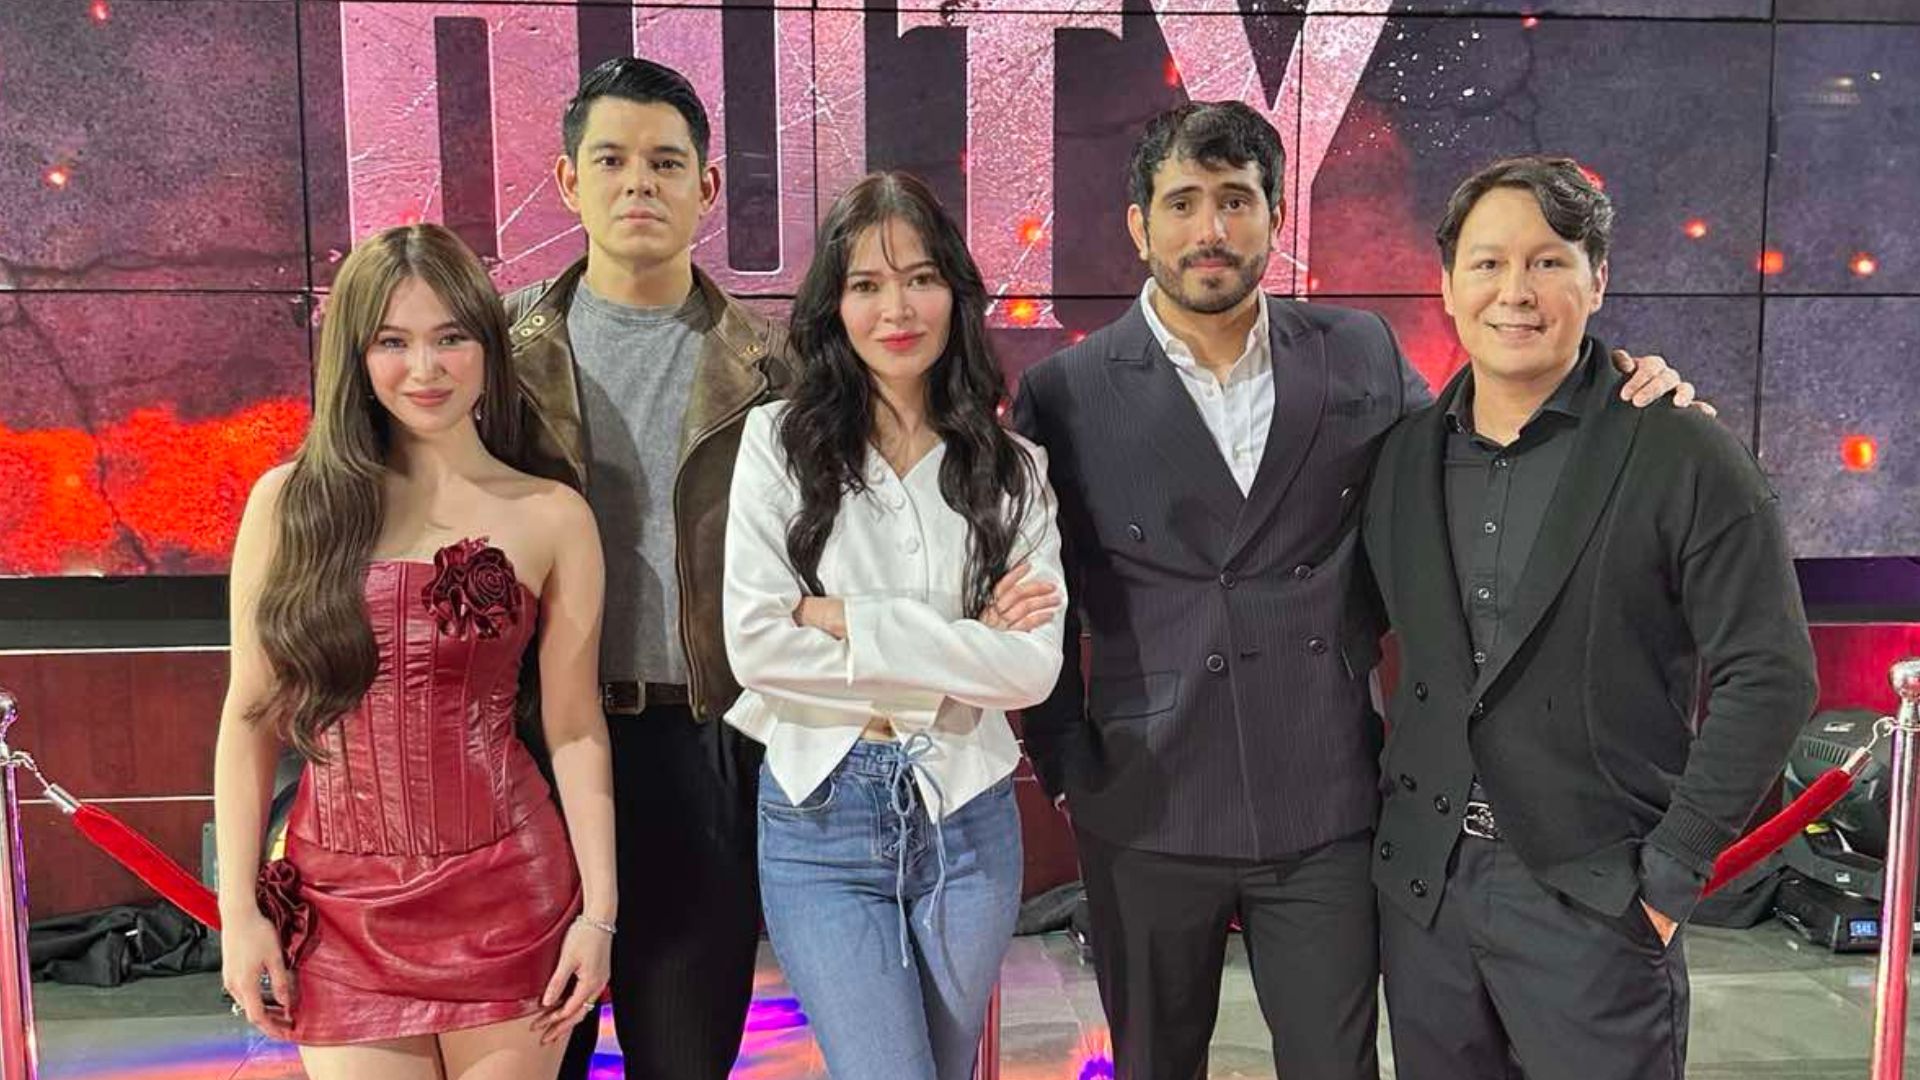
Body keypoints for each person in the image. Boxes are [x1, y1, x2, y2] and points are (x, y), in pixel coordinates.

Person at [1011, 102, 1695, 1080]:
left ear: (1276, 215)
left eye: (1236, 200)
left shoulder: (1357, 351)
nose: (1210, 229)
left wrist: (1613, 385)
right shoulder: (1067, 390)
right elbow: (1044, 597)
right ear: (1138, 224)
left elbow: (1478, 445)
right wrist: (1066, 763)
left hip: (1324, 799)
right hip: (1147, 802)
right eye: (1183, 203)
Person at [1362, 155, 1818, 1080]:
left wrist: (1671, 875)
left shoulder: (1683, 451)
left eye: (1548, 262)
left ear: (1597, 279)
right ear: (1446, 285)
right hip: (1427, 900)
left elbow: (1771, 675)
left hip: (1597, 902)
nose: (1515, 292)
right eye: (1488, 264)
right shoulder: (1400, 459)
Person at [213, 223, 617, 1079]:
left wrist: (600, 915)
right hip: (338, 907)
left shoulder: (551, 514)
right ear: (355, 357)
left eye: (450, 337)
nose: (425, 368)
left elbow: (576, 727)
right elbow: (249, 718)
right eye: (392, 342)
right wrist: (238, 912)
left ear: (488, 346)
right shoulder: (289, 504)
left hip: (510, 891)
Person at [721, 171, 1065, 1080]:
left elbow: (1031, 670)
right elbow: (756, 645)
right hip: (822, 814)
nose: (897, 309)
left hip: (968, 815)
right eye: (866, 285)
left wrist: (845, 619)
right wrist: (963, 640)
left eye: (920, 278)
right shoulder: (778, 444)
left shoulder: (1014, 469)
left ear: (955, 290)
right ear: (834, 307)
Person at [504, 57, 801, 1079]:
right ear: (567, 180)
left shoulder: (773, 368)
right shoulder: (497, 356)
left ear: (706, 186)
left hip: (702, 746)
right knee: (537, 1054)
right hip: (530, 752)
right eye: (612, 160)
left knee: (684, 1053)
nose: (640, 182)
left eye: (667, 163)